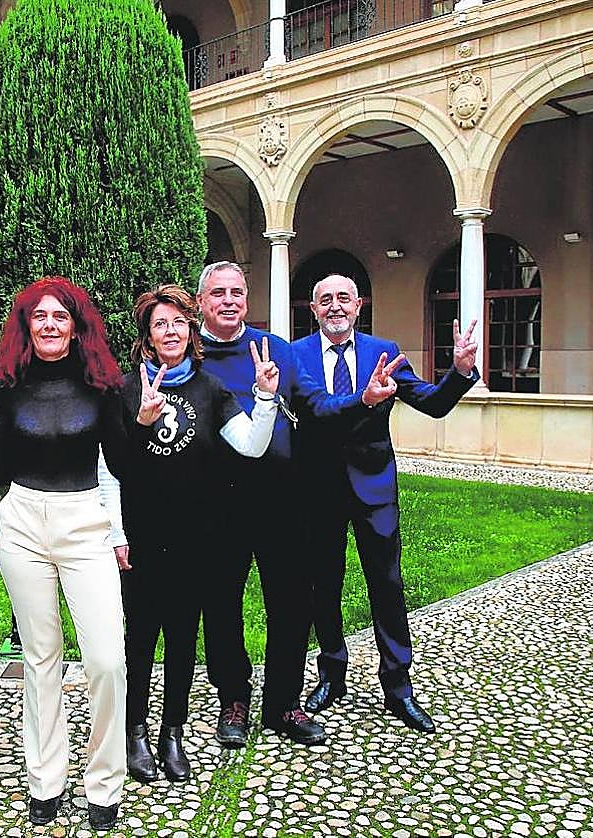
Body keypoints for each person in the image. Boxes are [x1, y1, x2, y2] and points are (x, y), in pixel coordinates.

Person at [0, 277, 147, 832]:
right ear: (26, 326)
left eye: (61, 316)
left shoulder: (102, 387)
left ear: (76, 326)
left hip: (84, 522)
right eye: (40, 316)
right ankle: (45, 779)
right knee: (40, 658)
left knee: (106, 659)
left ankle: (104, 782)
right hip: (24, 521)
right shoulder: (9, 387)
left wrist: (142, 425)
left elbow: (124, 466)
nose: (50, 325)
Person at [194, 261, 399, 748]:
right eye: (218, 293)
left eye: (237, 292)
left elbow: (317, 406)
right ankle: (233, 698)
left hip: (281, 499)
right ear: (200, 302)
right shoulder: (192, 355)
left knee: (292, 604)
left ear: (247, 299)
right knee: (221, 607)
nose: (229, 301)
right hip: (217, 502)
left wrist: (363, 400)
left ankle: (283, 703)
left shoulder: (276, 350)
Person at [104, 284, 282, 784]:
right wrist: (116, 532)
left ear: (190, 330)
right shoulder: (124, 390)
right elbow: (111, 469)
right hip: (142, 536)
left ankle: (172, 732)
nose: (171, 331)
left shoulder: (210, 389)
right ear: (147, 336)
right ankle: (135, 730)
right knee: (140, 639)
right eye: (160, 324)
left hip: (197, 537)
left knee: (183, 638)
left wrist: (265, 398)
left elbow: (250, 445)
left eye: (178, 322)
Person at [293, 273, 478, 733]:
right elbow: (317, 410)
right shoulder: (297, 354)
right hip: (316, 489)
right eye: (325, 300)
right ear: (313, 310)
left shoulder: (384, 352)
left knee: (387, 586)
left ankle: (398, 687)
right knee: (323, 586)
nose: (335, 306)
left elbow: (432, 403)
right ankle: (331, 675)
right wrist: (364, 399)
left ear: (359, 305)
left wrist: (459, 372)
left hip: (374, 488)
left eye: (344, 298)